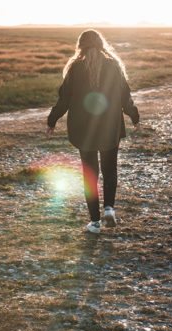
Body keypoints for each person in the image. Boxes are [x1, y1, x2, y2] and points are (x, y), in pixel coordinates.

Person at [47, 30, 140, 234]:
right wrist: (134, 116)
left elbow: (64, 100)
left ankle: (95, 224)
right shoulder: (114, 66)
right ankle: (109, 209)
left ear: (80, 46)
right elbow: (126, 96)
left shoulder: (75, 68)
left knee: (90, 175)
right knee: (110, 170)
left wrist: (52, 121)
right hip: (110, 127)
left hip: (84, 130)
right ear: (101, 44)